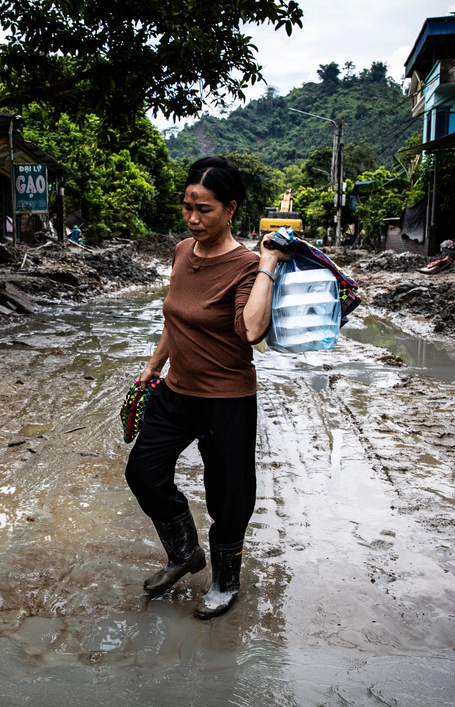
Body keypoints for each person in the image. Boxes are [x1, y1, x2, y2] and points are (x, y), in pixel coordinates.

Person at [124, 156, 289, 619]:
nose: (194, 219)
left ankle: (225, 581)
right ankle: (184, 553)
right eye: (187, 208)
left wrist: (269, 262)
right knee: (143, 474)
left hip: (227, 401)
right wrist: (152, 367)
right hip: (175, 393)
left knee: (228, 498)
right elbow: (175, 318)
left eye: (205, 210)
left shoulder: (246, 265)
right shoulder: (181, 251)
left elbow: (252, 330)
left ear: (231, 209)